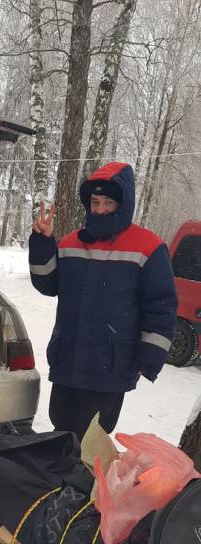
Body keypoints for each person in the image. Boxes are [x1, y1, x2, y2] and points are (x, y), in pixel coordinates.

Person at [29, 161, 178, 441]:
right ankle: (61, 484)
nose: (99, 209)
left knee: (93, 438)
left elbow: (161, 307)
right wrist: (42, 243)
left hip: (109, 366)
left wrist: (149, 359)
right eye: (95, 202)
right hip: (67, 359)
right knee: (60, 429)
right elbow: (47, 284)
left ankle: (88, 485)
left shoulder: (148, 247)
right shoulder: (71, 242)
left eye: (108, 202)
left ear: (124, 204)